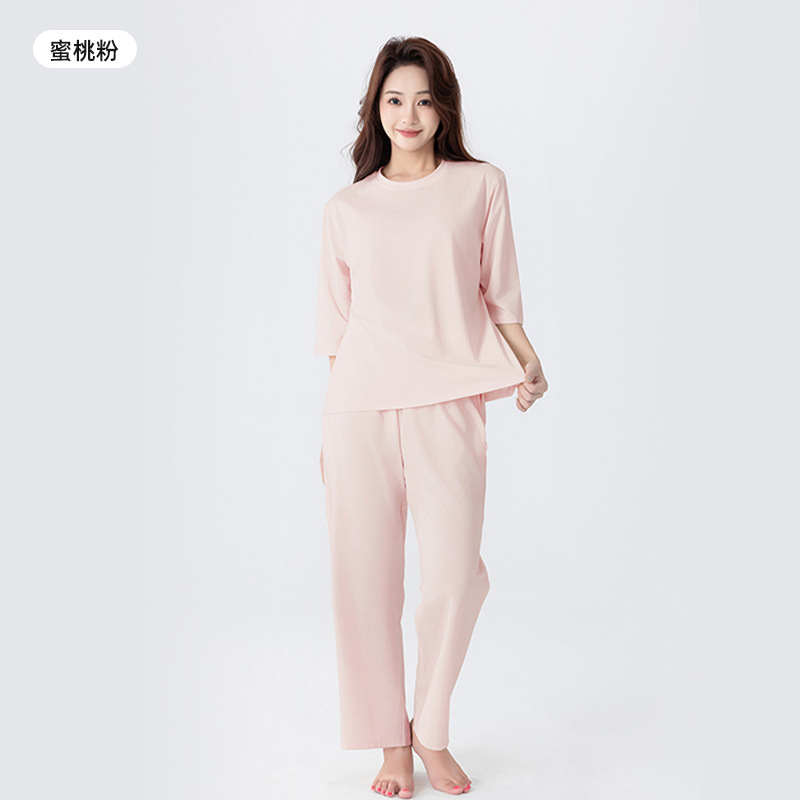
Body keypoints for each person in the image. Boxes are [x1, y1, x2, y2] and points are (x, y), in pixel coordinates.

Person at [314, 36, 548, 798]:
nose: (408, 114)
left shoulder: (480, 185)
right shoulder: (346, 209)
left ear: (444, 107)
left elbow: (498, 293)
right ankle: (390, 742)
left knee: (453, 575)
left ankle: (430, 729)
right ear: (374, 109)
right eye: (394, 99)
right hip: (360, 408)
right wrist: (333, 428)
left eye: (423, 99)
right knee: (363, 580)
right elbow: (336, 332)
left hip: (449, 400)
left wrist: (528, 360)